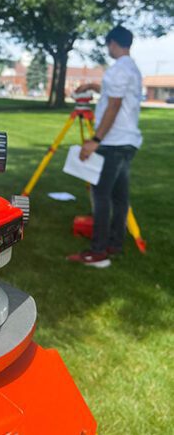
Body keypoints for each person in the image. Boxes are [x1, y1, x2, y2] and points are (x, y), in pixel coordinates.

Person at [67, 25, 142, 268]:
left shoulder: (116, 70)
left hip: (113, 141)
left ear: (112, 43)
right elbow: (114, 94)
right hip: (128, 141)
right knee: (120, 197)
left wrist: (95, 140)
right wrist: (92, 86)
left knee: (100, 195)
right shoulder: (132, 68)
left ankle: (98, 251)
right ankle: (115, 243)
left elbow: (114, 105)